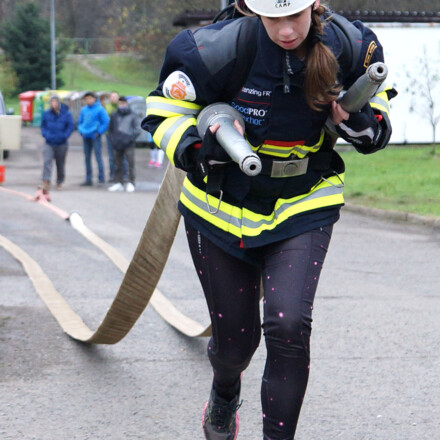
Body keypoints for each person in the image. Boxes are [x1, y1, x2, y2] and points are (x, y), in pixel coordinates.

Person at [142, 1, 396, 439]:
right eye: (273, 18)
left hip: (304, 200)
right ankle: (224, 392)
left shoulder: (354, 46)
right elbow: (164, 113)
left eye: (294, 15)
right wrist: (199, 149)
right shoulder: (208, 50)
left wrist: (359, 123)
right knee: (235, 345)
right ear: (250, 8)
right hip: (219, 206)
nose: (286, 30)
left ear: (313, 4)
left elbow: (378, 117)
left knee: (288, 324)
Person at [40, 94, 75, 191]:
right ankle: (46, 181)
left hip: (61, 142)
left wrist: (65, 136)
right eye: (52, 102)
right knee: (47, 162)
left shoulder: (66, 114)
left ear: (59, 103)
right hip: (49, 141)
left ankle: (59, 181)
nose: (53, 104)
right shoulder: (46, 114)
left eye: (55, 101)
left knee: (60, 163)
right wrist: (46, 135)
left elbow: (70, 126)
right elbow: (43, 126)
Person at [108, 96, 140, 192]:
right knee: (117, 164)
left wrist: (130, 138)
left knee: (130, 163)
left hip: (128, 143)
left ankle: (131, 182)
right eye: (120, 103)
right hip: (117, 143)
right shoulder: (114, 115)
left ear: (126, 104)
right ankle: (118, 182)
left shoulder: (133, 115)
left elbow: (137, 129)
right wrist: (113, 139)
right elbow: (111, 129)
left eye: (123, 103)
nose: (121, 105)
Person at [77, 91, 110, 186]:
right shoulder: (84, 110)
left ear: (94, 99)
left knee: (98, 157)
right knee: (87, 158)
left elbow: (106, 122)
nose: (88, 100)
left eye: (89, 98)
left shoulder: (100, 109)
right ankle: (88, 179)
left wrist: (99, 132)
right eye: (86, 99)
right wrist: (81, 131)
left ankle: (101, 178)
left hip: (95, 136)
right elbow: (80, 122)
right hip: (86, 136)